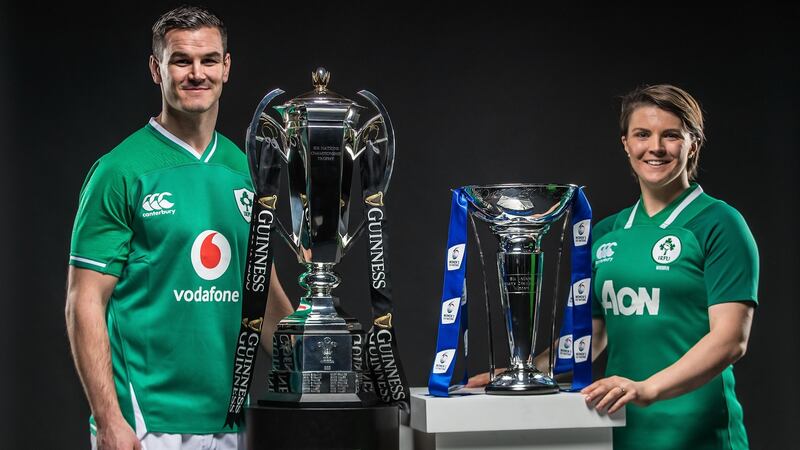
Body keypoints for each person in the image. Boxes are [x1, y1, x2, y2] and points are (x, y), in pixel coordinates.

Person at [468, 84, 758, 450]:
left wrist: (648, 388)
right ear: (626, 144)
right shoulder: (606, 232)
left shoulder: (719, 223)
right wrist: (525, 370)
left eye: (671, 135)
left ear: (693, 145)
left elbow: (730, 339)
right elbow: (593, 334)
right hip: (622, 427)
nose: (655, 147)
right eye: (642, 134)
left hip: (700, 434)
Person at [64, 6, 293, 450]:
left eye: (209, 60)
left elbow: (260, 297)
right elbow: (84, 301)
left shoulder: (247, 171)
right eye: (180, 60)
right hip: (146, 422)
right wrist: (108, 419)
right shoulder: (120, 170)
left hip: (232, 421)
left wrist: (327, 370)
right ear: (156, 69)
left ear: (226, 67)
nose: (196, 74)